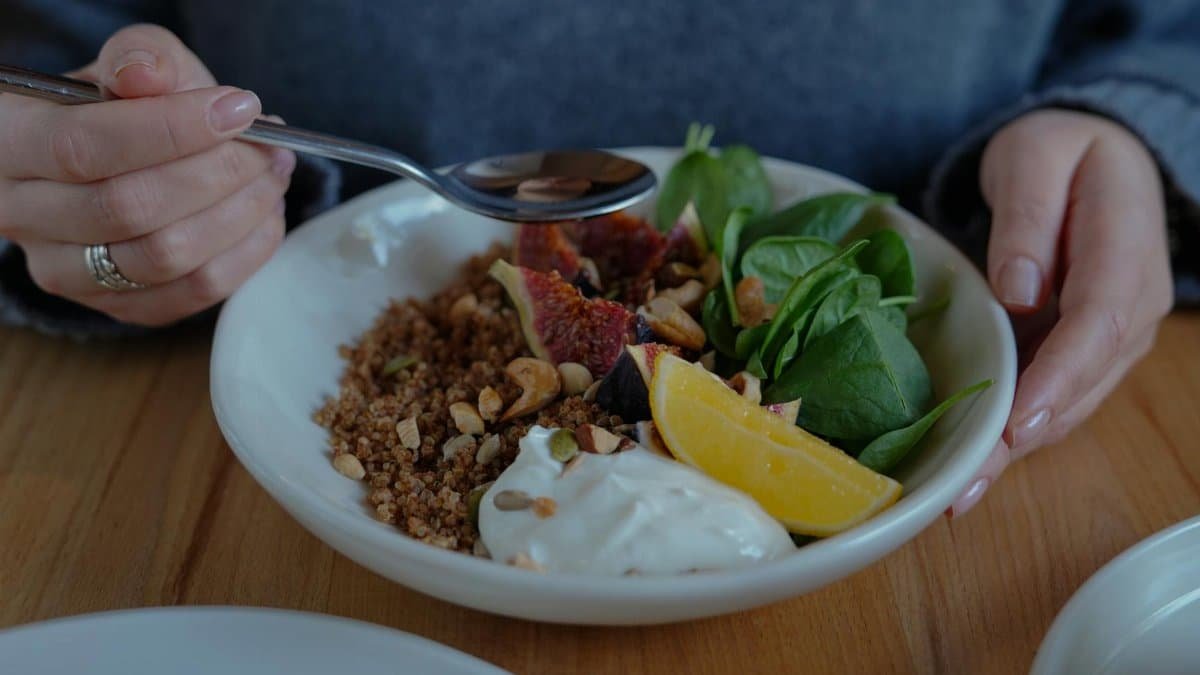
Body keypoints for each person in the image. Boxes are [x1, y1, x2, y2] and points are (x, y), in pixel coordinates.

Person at [0, 2, 1195, 517]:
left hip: (967, 279)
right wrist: (104, 157)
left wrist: (1140, 119)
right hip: (257, 341)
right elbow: (46, 38)